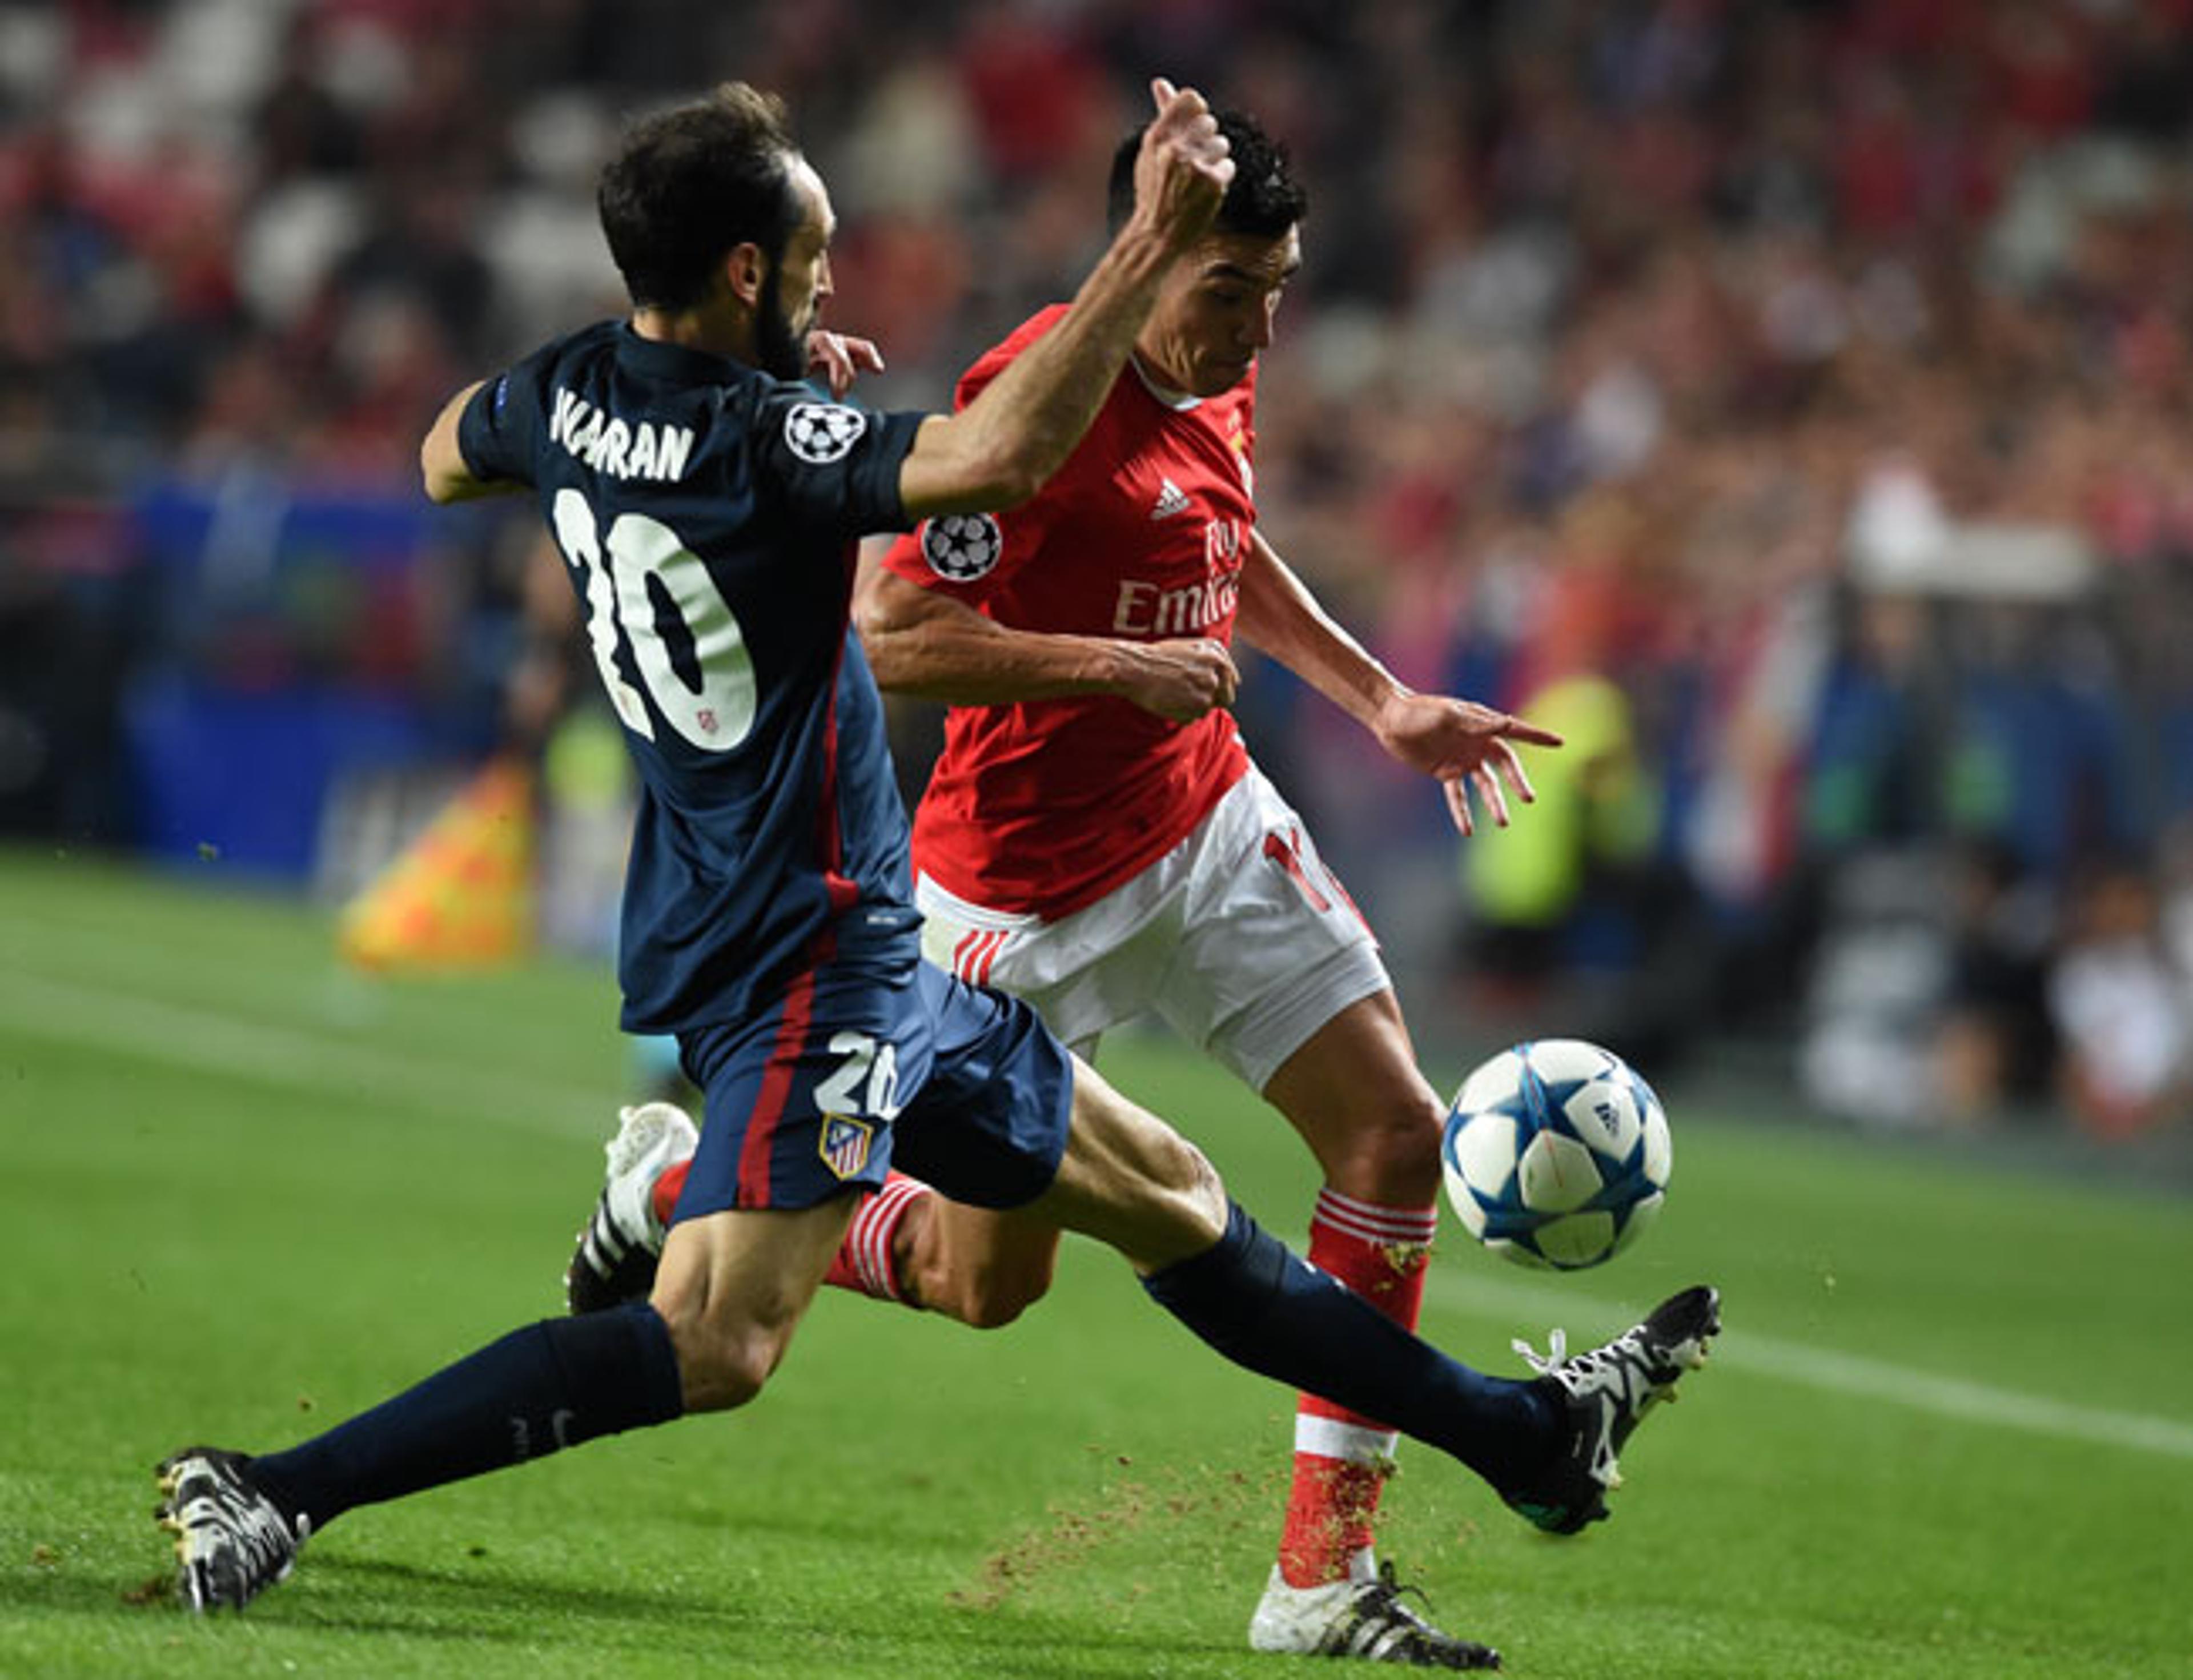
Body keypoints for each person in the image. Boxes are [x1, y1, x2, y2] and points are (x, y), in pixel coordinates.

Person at [153, 81, 1722, 1649]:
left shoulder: (566, 396)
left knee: (1174, 1197)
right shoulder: (772, 440)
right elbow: (986, 462)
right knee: (716, 1341)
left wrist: (664, 436)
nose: (839, 276)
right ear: (749, 270)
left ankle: (1525, 1438)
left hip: (849, 935)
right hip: (806, 953)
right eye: (815, 251)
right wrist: (1140, 248)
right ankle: (273, 1487)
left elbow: (446, 456)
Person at [563, 110, 1607, 1665]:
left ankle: (1323, 1578)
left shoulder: (1218, 365)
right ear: (1156, 256)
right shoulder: (1034, 401)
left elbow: (1218, 537)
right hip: (1017, 894)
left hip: (1202, 823)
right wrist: (1111, 670)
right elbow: (890, 629)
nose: (1261, 325)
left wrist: (1380, 698)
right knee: (989, 1288)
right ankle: (672, 1188)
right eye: (1234, 288)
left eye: (1281, 287)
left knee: (1397, 1131)